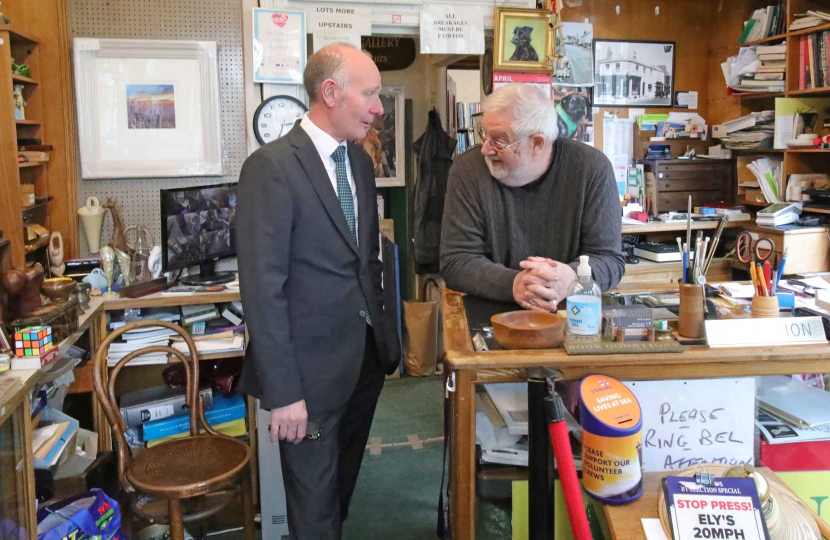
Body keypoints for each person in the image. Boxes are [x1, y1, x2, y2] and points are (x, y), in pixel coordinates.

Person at [236, 43, 400, 539]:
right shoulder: (271, 168)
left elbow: (364, 262)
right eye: (370, 94)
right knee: (313, 514)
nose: (379, 107)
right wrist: (283, 392)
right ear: (331, 92)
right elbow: (263, 290)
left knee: (340, 492)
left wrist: (386, 344)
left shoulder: (362, 164)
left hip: (364, 363)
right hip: (305, 379)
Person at [440, 83, 624, 311]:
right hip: (491, 314)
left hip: (573, 316)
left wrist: (568, 277)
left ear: (537, 143)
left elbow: (610, 260)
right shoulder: (468, 170)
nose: (485, 149)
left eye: (498, 140)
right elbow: (457, 260)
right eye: (483, 134)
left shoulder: (592, 169)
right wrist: (517, 284)